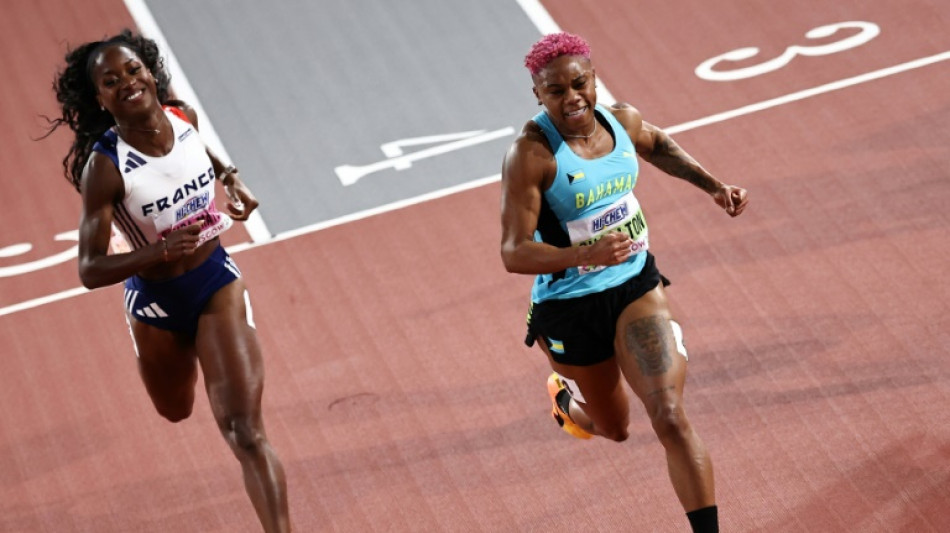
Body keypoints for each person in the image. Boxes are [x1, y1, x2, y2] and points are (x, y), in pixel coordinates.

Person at [500, 32, 749, 533]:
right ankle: (566, 400)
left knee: (671, 416)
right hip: (570, 306)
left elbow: (658, 145)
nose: (572, 98)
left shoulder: (622, 120)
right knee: (615, 429)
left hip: (635, 285)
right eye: (556, 91)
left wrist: (714, 186)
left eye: (580, 83)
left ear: (593, 78)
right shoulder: (532, 156)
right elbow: (513, 252)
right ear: (538, 95)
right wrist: (584, 253)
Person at [46, 30, 291, 532]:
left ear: (151, 74)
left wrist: (231, 177)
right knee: (175, 410)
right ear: (100, 99)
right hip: (155, 302)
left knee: (245, 432)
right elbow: (89, 269)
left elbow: (201, 150)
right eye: (111, 81)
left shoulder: (183, 117)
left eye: (134, 71)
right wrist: (157, 251)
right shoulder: (106, 167)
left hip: (214, 281)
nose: (128, 83)